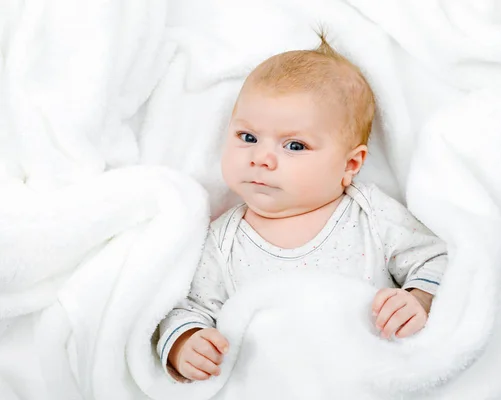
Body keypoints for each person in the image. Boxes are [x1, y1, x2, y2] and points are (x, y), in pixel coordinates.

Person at [157, 33, 448, 383]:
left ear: (349, 166)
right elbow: (189, 308)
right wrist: (186, 344)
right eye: (247, 137)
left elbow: (437, 260)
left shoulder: (369, 214)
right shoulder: (222, 241)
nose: (261, 158)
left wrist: (418, 299)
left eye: (294, 145)